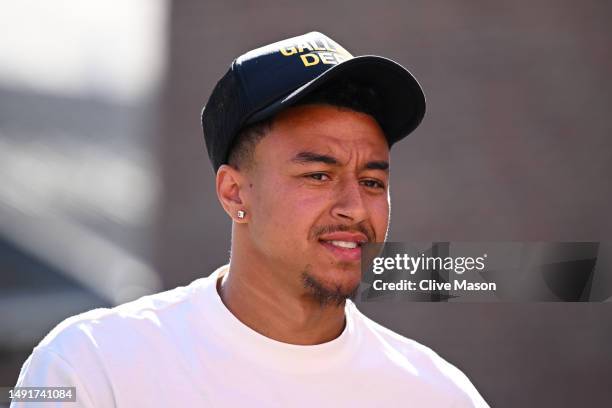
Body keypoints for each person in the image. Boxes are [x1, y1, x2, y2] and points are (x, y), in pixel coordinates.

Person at [12, 32, 489, 407]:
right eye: (319, 175)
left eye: (372, 181)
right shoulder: (91, 367)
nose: (355, 208)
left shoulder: (438, 395)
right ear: (234, 192)